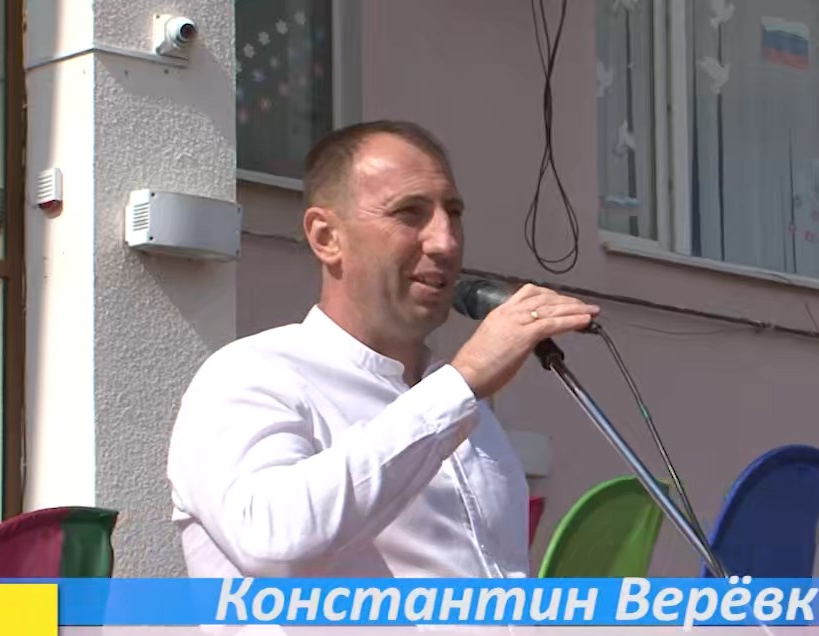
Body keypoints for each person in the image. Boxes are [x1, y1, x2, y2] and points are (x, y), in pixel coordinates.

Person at [167, 119, 600, 580]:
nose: (446, 241)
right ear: (326, 237)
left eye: (453, 213)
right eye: (409, 212)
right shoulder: (251, 374)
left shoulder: (467, 409)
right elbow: (273, 545)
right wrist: (463, 380)